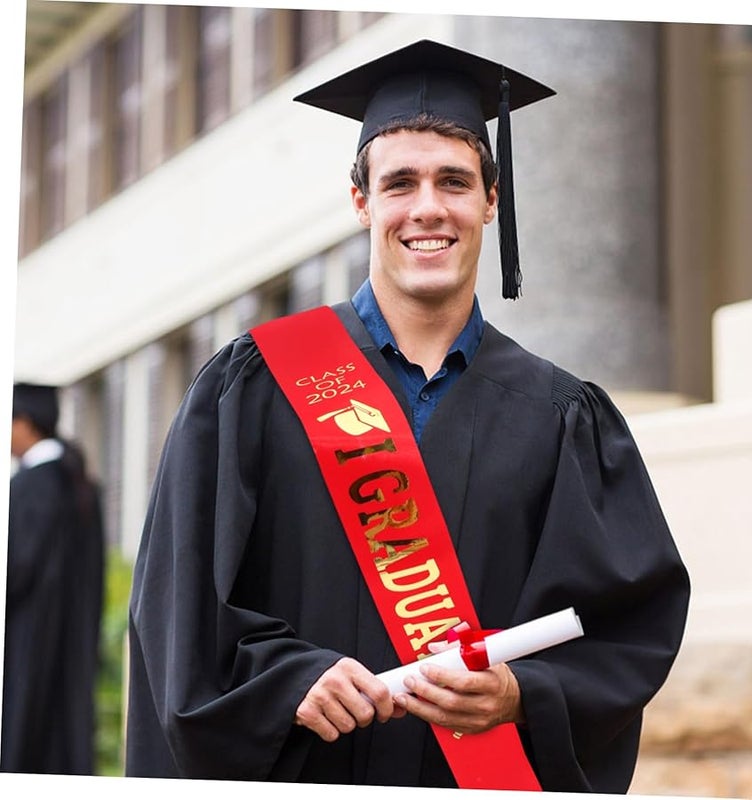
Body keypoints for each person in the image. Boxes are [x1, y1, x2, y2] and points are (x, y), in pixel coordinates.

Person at [125, 39, 690, 792]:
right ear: (361, 201)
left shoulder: (561, 417)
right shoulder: (254, 387)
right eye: (400, 183)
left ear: (491, 200)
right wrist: (287, 680)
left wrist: (521, 692)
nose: (428, 208)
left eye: (454, 181)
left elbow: (627, 624)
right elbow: (179, 606)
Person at [2, 383, 106, 774]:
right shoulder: (80, 484)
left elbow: (15, 571)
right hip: (72, 645)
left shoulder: (29, 487)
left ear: (25, 423)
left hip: (25, 645)